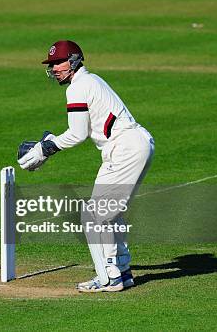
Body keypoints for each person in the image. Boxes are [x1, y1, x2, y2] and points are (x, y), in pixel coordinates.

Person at [18, 40, 154, 292]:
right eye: (52, 64)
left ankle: (110, 277)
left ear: (74, 61)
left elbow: (77, 133)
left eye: (58, 62)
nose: (54, 68)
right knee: (107, 214)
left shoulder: (78, 87)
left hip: (125, 148)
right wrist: (49, 144)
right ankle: (121, 271)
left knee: (94, 216)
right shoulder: (91, 81)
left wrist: (45, 149)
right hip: (126, 146)